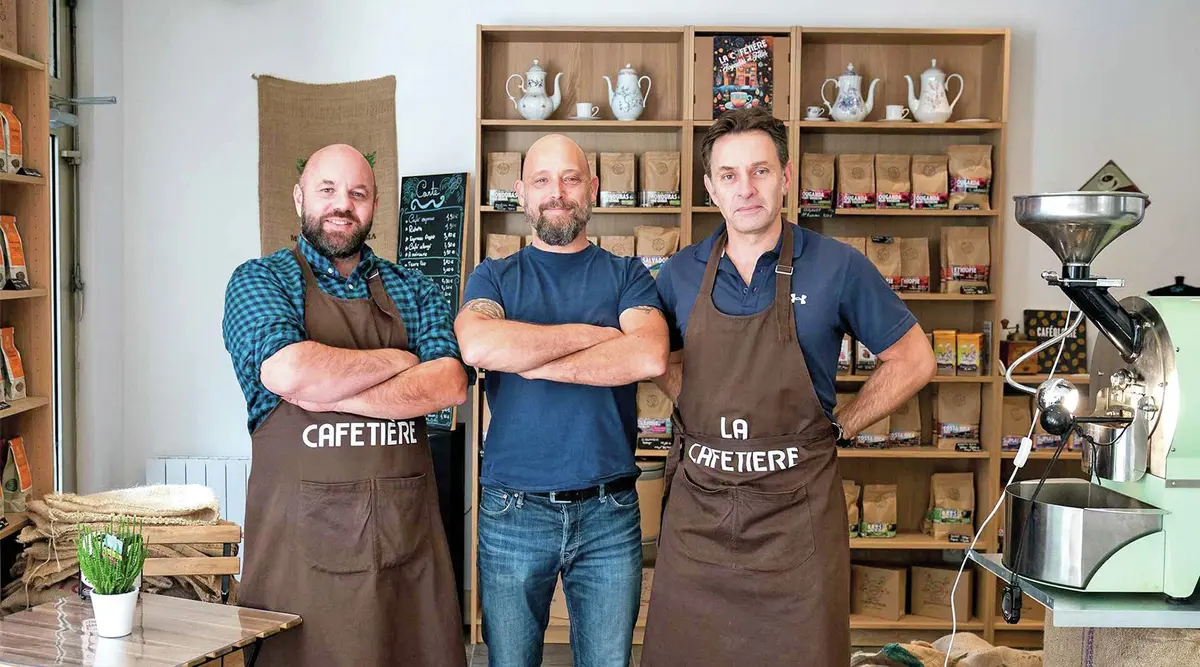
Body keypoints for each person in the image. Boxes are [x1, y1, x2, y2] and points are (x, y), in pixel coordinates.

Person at [640, 108, 937, 667]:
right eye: (728, 175)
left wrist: (842, 425)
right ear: (709, 187)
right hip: (699, 518)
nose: (745, 189)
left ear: (786, 175)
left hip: (795, 520)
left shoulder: (837, 266)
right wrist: (694, 401)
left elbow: (915, 359)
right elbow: (652, 355)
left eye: (760, 171)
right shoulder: (679, 273)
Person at [222, 143, 469, 667]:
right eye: (327, 190)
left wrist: (326, 389)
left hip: (407, 559)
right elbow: (288, 371)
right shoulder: (261, 280)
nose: (342, 204)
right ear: (299, 198)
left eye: (357, 193)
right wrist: (403, 359)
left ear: (374, 203)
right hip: (300, 570)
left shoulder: (414, 287)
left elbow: (448, 382)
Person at [455, 133, 669, 667]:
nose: (558, 192)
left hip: (610, 510)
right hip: (512, 509)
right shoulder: (493, 276)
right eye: (543, 181)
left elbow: (647, 358)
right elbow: (479, 344)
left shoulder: (629, 274)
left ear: (592, 189)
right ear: (522, 192)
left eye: (571, 179)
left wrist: (526, 355)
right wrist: (598, 336)